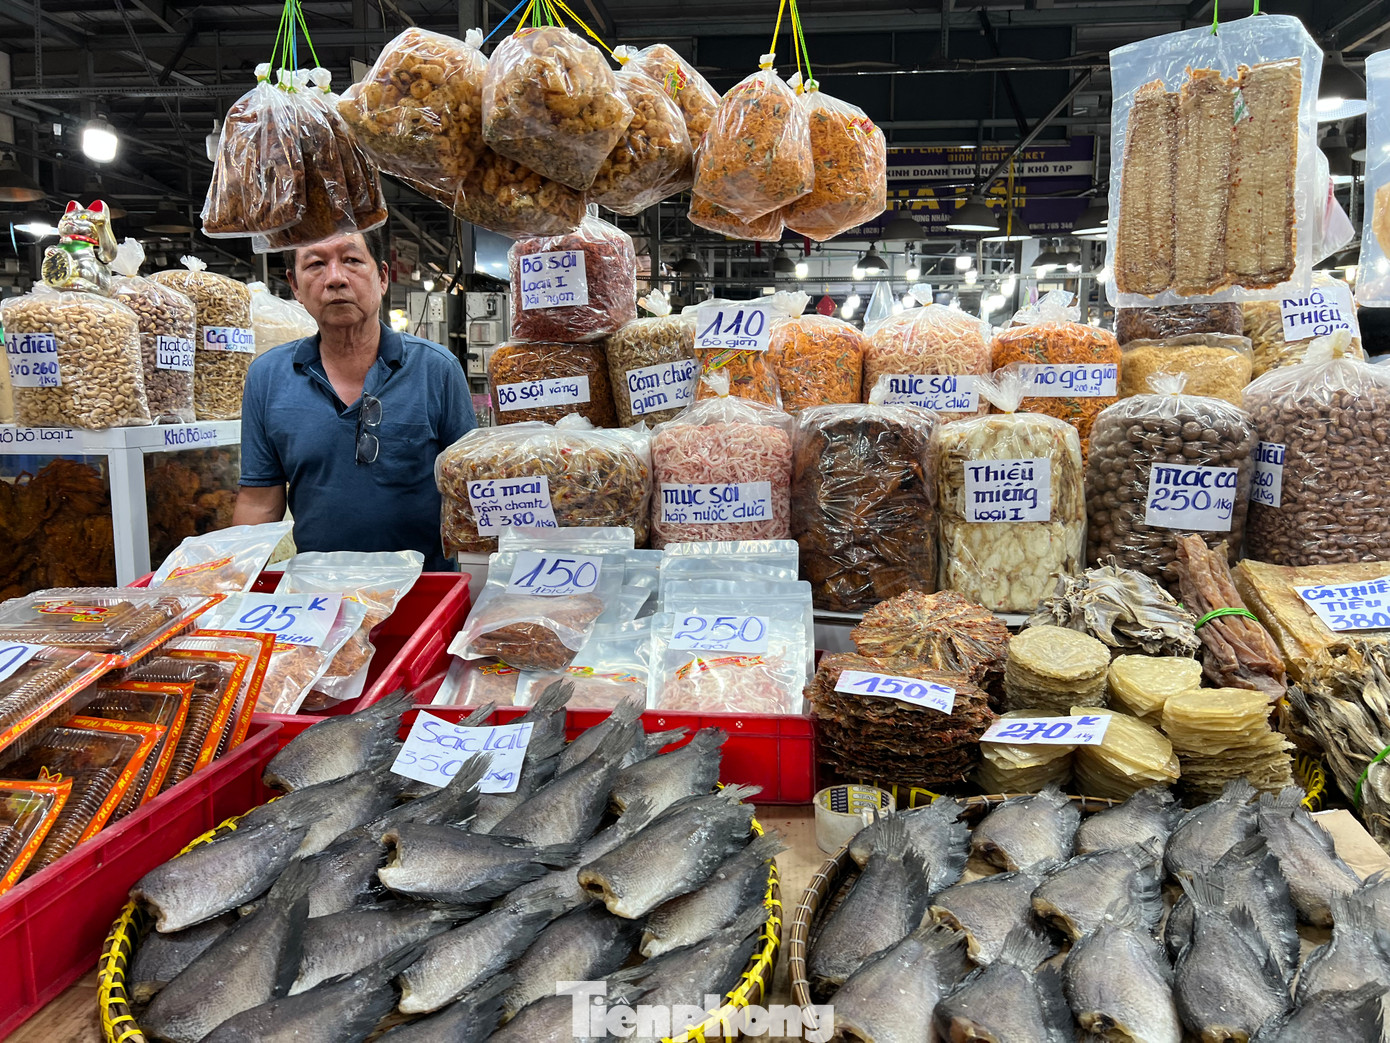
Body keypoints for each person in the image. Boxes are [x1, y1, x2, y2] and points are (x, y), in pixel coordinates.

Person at [233, 229, 475, 570]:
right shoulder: (268, 377)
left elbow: (468, 495)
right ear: (295, 286)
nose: (335, 279)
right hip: (317, 597)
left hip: (425, 591)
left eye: (352, 261)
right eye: (316, 264)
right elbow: (259, 503)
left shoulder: (437, 369)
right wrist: (233, 585)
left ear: (383, 278)